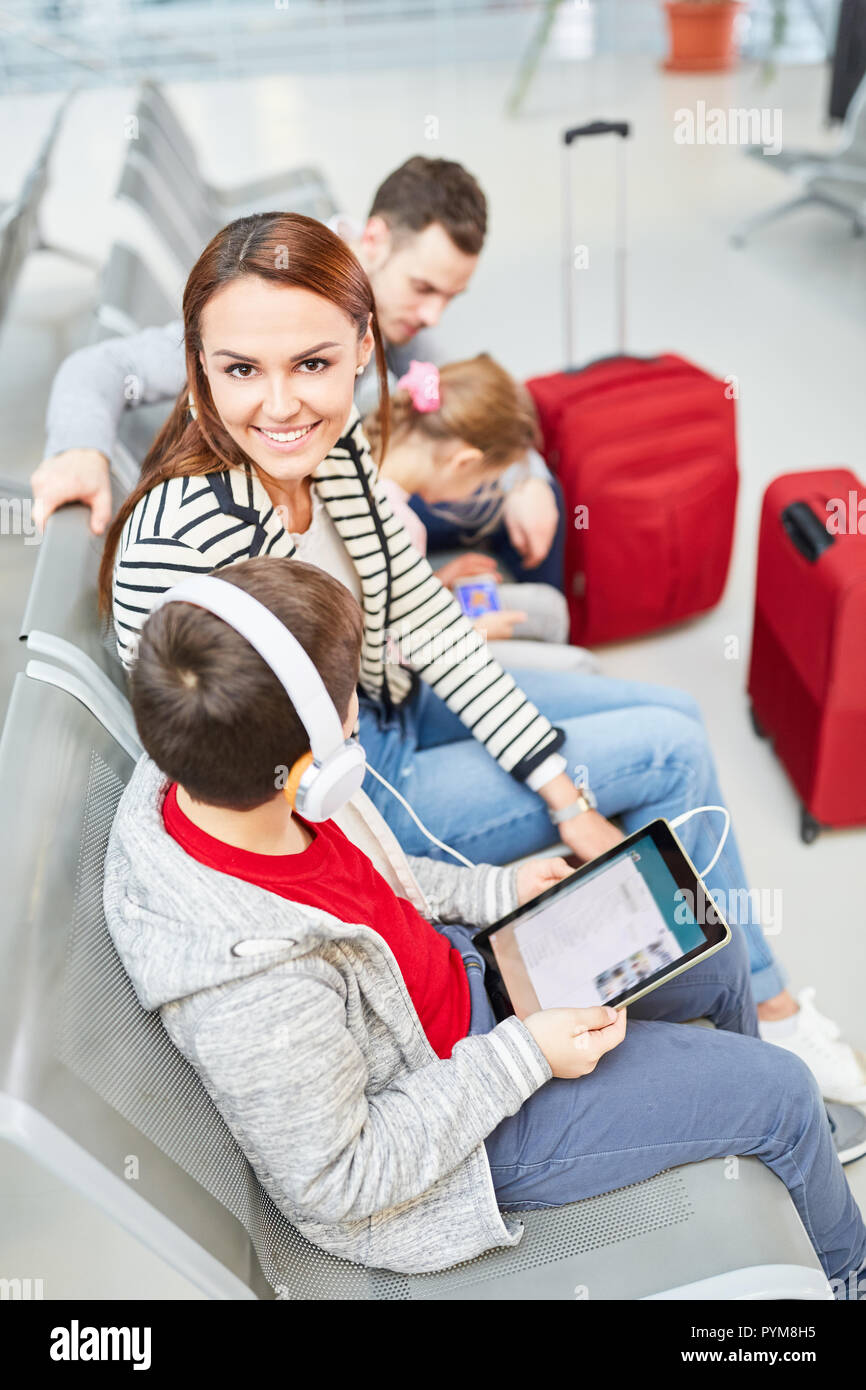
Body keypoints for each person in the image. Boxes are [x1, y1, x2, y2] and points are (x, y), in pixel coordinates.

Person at [95, 210, 866, 1105]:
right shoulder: (192, 539)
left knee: (678, 718)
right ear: (199, 369)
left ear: (359, 345)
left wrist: (559, 792)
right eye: (240, 370)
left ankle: (712, 991)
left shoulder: (332, 453)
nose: (280, 405)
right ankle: (763, 1013)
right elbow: (228, 772)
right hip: (350, 785)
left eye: (312, 363)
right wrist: (512, 839)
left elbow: (427, 619)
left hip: (383, 696)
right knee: (673, 754)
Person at [102, 555, 866, 1290]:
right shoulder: (253, 989)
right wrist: (527, 1056)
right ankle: (844, 1269)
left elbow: (377, 884)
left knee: (707, 942)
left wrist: (494, 891)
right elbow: (342, 1180)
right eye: (348, 701)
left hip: (467, 980)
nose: (357, 711)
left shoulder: (233, 781)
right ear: (313, 766)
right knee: (784, 1092)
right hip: (465, 1130)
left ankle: (762, 1152)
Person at [32, 155, 563, 583]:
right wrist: (80, 449)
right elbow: (103, 365)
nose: (432, 316)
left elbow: (453, 391)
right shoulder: (270, 298)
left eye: (451, 297)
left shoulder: (391, 315)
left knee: (531, 479)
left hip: (356, 499)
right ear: (373, 241)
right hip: (325, 517)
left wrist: (526, 476)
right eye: (424, 288)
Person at [365, 352, 597, 672]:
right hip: (404, 677)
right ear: (465, 463)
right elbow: (377, 654)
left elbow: (376, 603)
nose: (482, 491)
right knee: (582, 667)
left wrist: (438, 580)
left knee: (550, 610)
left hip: (406, 634)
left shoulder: (362, 478)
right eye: (487, 482)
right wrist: (478, 634)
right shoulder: (400, 525)